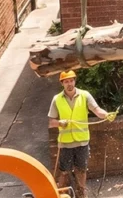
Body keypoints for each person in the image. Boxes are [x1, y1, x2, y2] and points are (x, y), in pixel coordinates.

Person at [48, 69, 116, 198]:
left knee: (81, 170)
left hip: (82, 142)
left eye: (71, 80)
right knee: (64, 172)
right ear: (62, 83)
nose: (70, 84)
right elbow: (51, 122)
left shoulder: (85, 95)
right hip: (65, 143)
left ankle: (81, 194)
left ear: (75, 81)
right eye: (66, 81)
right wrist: (59, 123)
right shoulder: (57, 99)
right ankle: (61, 194)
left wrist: (107, 115)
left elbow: (96, 110)